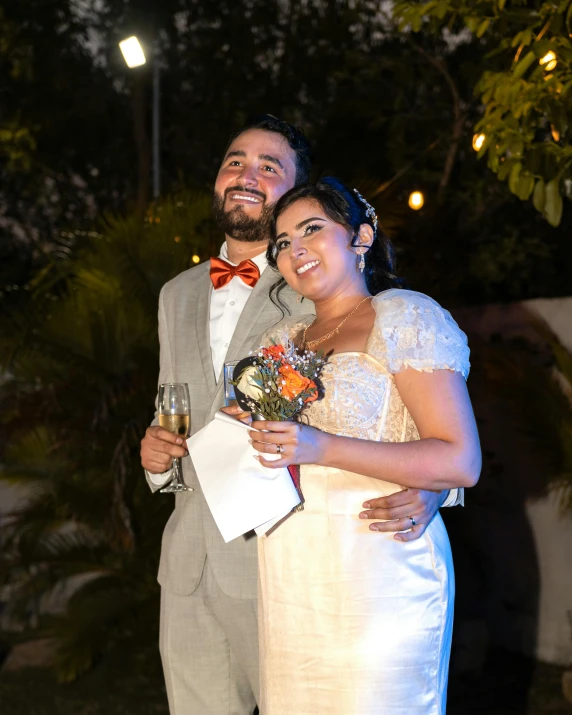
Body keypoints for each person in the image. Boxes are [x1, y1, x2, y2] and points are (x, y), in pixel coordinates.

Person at [139, 117, 463, 715]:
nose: (247, 175)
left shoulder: (316, 287)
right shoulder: (175, 294)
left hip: (287, 562)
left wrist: (433, 489)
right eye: (236, 160)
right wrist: (157, 457)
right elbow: (178, 408)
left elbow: (416, 414)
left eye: (270, 166)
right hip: (187, 564)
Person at [250, 177, 481, 714]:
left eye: (312, 229)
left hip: (382, 568)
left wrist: (322, 447)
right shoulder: (278, 343)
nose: (295, 249)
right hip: (290, 569)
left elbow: (460, 460)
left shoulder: (403, 316)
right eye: (282, 242)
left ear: (361, 237)